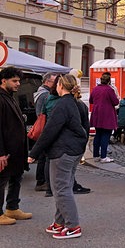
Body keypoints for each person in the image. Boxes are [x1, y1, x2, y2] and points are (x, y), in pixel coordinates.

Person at [28, 74, 89, 239]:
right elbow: (85, 127)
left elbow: (50, 130)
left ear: (59, 86)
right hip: (74, 150)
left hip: (63, 151)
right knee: (64, 188)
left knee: (61, 189)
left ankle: (73, 226)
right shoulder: (77, 103)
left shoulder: (62, 104)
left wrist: (33, 153)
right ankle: (59, 222)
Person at [0, 67, 33, 225]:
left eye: (19, 81)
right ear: (3, 80)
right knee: (1, 180)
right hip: (5, 150)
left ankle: (12, 207)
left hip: (17, 150)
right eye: (14, 81)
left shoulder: (10, 96)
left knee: (16, 177)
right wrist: (0, 153)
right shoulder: (0, 98)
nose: (18, 84)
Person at [32, 72, 56, 192]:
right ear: (47, 82)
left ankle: (41, 181)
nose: (56, 84)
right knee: (43, 157)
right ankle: (41, 181)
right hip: (45, 128)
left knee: (42, 155)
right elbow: (43, 113)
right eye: (54, 81)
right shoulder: (45, 94)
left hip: (43, 127)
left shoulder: (40, 92)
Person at [89, 72, 119, 163]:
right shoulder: (109, 90)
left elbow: (91, 100)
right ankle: (103, 156)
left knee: (98, 134)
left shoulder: (95, 89)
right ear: (109, 81)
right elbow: (115, 102)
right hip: (107, 114)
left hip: (97, 114)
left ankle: (95, 155)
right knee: (106, 135)